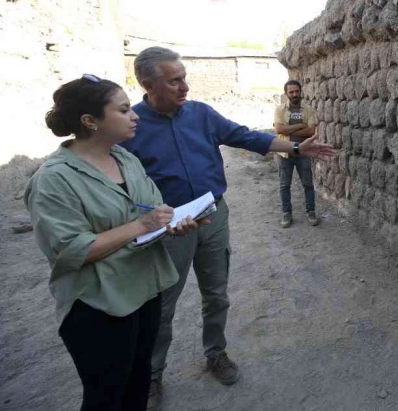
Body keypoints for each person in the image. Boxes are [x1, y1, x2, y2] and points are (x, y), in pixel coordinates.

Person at [121, 47, 333, 410]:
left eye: (184, 77)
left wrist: (296, 147)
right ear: (147, 84)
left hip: (213, 217)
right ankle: (152, 373)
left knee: (216, 294)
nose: (184, 86)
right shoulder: (131, 127)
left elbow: (245, 136)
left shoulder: (201, 114)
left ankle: (215, 353)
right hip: (167, 227)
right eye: (174, 81)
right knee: (162, 304)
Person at [25, 75, 198, 411]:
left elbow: (152, 208)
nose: (134, 115)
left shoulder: (124, 159)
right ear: (90, 121)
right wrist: (140, 225)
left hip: (145, 291)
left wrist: (172, 224)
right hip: (99, 305)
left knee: (136, 386)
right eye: (122, 110)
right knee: (106, 396)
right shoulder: (53, 180)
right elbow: (71, 249)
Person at [273, 79, 319, 228]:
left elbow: (311, 131)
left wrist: (289, 128)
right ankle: (287, 214)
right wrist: (301, 125)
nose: (294, 94)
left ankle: (311, 211)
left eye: (296, 91)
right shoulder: (280, 110)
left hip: (303, 152)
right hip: (285, 152)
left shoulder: (308, 109)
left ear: (300, 91)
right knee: (284, 185)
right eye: (291, 92)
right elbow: (279, 130)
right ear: (286, 93)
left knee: (308, 184)